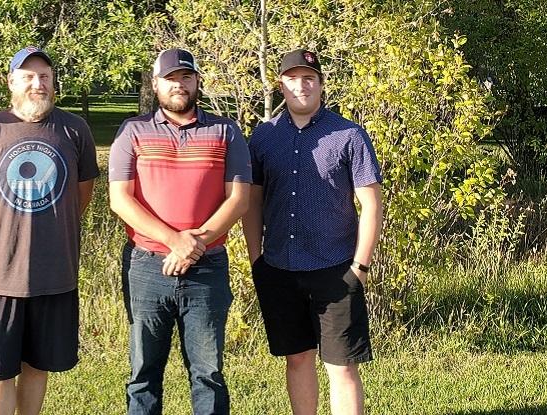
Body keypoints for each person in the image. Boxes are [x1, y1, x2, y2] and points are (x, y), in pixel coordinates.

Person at [0, 46, 99, 415]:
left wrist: (46, 226)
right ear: (12, 81)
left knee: (38, 365)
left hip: (53, 275)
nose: (39, 84)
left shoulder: (74, 129)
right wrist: (0, 231)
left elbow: (81, 195)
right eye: (29, 77)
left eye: (45, 77)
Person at [108, 48, 251, 415]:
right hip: (146, 267)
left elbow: (238, 200)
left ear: (197, 81)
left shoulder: (225, 131)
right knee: (143, 372)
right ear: (155, 84)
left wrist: (194, 245)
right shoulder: (133, 131)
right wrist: (176, 241)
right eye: (170, 79)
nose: (179, 85)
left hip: (207, 267)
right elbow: (120, 200)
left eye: (186, 77)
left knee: (208, 373)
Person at [242, 48, 383, 415]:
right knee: (298, 360)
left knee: (342, 367)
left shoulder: (349, 135)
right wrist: (257, 259)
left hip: (336, 269)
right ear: (281, 84)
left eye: (309, 78)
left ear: (321, 84)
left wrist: (360, 268)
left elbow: (371, 205)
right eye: (293, 78)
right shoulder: (263, 137)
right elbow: (252, 202)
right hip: (279, 269)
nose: (301, 85)